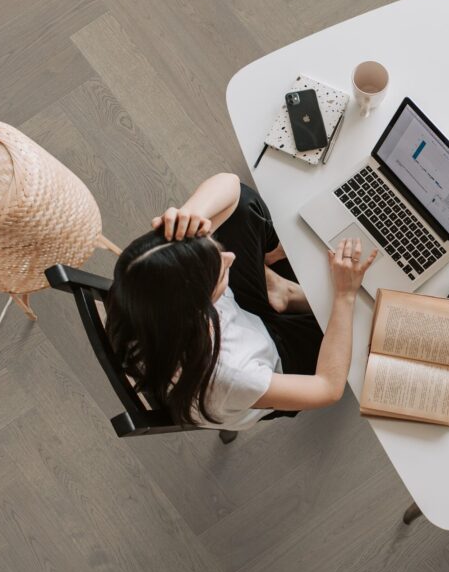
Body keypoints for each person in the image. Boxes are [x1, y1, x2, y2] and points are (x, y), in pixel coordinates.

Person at [105, 173, 376, 430]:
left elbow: (231, 187)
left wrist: (191, 215)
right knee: (362, 324)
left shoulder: (142, 285)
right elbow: (327, 387)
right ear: (200, 306)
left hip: (237, 323)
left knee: (244, 206)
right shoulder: (233, 376)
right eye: (220, 269)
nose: (230, 258)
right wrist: (344, 294)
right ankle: (280, 291)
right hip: (275, 360)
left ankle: (278, 291)